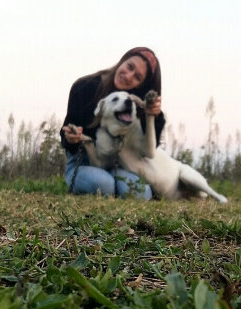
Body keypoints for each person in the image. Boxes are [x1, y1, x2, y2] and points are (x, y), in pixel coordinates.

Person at [61, 47, 166, 199]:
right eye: (130, 66)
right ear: (123, 60)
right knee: (104, 184)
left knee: (140, 195)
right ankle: (105, 187)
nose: (129, 76)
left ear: (140, 85)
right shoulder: (84, 87)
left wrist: (154, 115)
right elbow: (66, 139)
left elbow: (150, 149)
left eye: (137, 77)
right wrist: (71, 138)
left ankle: (119, 189)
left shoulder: (134, 103)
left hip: (120, 165)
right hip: (84, 162)